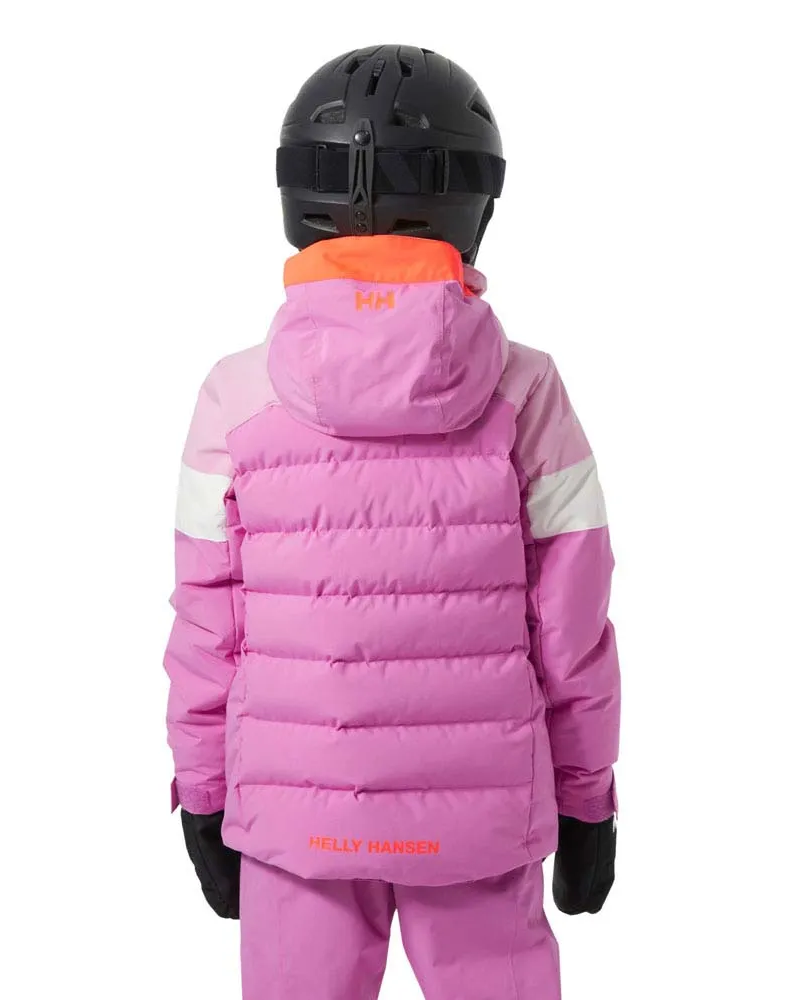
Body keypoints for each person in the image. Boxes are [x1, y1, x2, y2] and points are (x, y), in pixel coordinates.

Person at [164, 44, 620, 999]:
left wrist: (201, 792)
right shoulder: (528, 392)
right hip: (481, 817)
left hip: (296, 823)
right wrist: (588, 802)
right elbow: (572, 630)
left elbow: (208, 629)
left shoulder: (234, 397)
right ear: (474, 204)